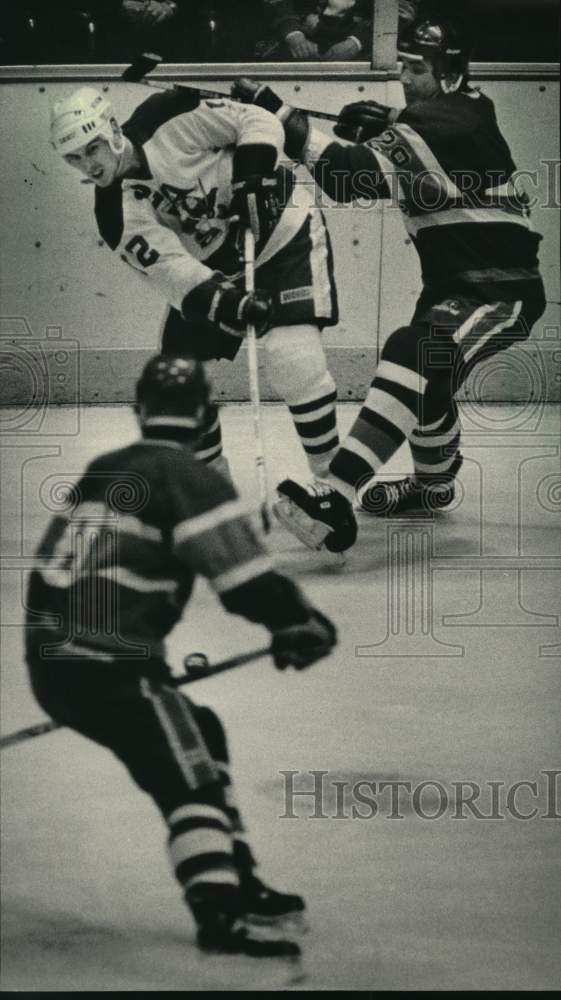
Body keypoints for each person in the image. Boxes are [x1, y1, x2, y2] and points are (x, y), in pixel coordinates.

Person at [25, 354, 337, 958]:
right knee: (189, 780)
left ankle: (238, 876)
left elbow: (52, 578)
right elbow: (245, 582)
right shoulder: (187, 478)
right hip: (109, 667)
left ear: (138, 410)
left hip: (53, 659)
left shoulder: (105, 470)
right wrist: (300, 620)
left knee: (202, 730)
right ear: (206, 417)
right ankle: (220, 916)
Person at [232, 14, 547, 552]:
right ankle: (431, 489)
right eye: (401, 64)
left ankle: (336, 495)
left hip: (499, 289)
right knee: (425, 377)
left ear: (449, 70)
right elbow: (419, 139)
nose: (404, 75)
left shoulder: (447, 121)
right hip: (457, 284)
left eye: (417, 68)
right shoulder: (463, 108)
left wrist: (276, 110)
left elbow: (346, 175)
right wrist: (391, 122)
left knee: (415, 352)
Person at [49, 85, 340, 483]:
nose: (88, 166)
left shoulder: (168, 113)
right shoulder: (114, 215)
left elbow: (255, 119)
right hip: (217, 267)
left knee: (293, 357)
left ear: (113, 130)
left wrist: (251, 173)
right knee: (176, 382)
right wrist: (230, 304)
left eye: (92, 148)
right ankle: (212, 488)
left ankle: (331, 481)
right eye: (74, 158)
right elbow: (176, 275)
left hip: (282, 230)